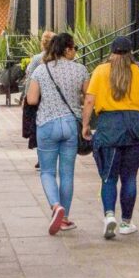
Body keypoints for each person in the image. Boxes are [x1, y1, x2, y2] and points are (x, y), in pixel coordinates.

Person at [82, 36, 139, 239]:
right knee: (130, 176)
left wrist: (86, 125)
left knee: (109, 176)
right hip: (136, 125)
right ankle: (126, 222)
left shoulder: (100, 71)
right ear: (130, 51)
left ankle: (109, 216)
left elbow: (89, 100)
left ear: (112, 52)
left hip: (110, 126)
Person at [25, 33, 89, 235]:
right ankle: (65, 218)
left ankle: (55, 206)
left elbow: (32, 99)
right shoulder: (81, 70)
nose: (75, 52)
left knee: (47, 172)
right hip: (71, 125)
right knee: (67, 173)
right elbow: (89, 97)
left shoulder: (41, 71)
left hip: (47, 123)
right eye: (74, 48)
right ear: (67, 49)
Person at [24, 31, 56, 166]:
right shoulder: (58, 58)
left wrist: (26, 97)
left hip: (38, 96)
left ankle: (41, 156)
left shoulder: (37, 58)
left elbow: (30, 79)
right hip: (53, 96)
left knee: (39, 126)